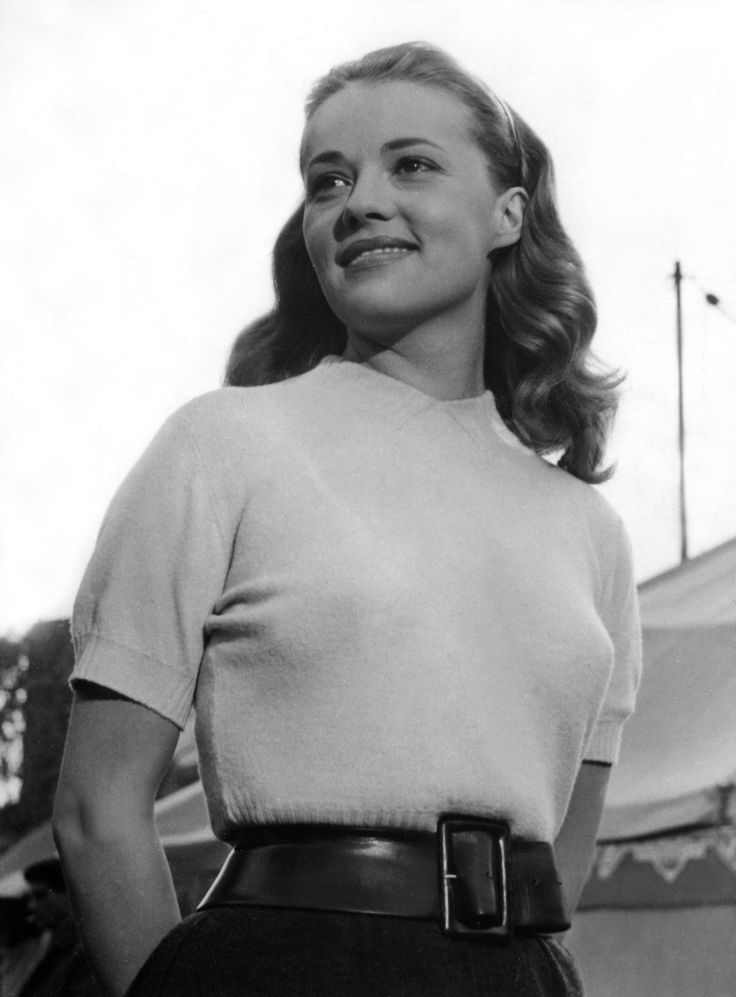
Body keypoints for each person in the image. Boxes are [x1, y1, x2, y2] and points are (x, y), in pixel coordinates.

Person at [53, 42, 642, 997]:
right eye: (328, 179)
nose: (359, 199)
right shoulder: (221, 445)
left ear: (508, 213)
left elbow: (566, 840)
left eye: (410, 163)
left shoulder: (591, 532)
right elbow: (95, 809)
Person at [14, 860, 99, 997]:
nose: (32, 906)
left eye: (40, 896)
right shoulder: (57, 944)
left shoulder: (88, 950)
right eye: (31, 898)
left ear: (69, 892)